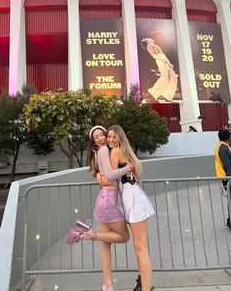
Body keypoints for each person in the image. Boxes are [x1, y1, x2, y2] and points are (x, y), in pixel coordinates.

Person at [67, 125, 133, 291]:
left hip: (104, 199)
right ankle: (85, 235)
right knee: (124, 237)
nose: (101, 138)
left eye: (102, 134)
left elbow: (102, 173)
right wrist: (128, 168)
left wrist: (100, 176)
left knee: (106, 243)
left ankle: (107, 284)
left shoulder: (100, 152)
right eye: (96, 137)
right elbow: (110, 176)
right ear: (93, 142)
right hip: (108, 202)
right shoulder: (103, 150)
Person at [98, 125, 155, 291]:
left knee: (140, 249)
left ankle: (146, 288)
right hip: (132, 199)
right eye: (108, 137)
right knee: (140, 248)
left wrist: (100, 178)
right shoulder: (121, 151)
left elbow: (109, 178)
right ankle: (143, 283)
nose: (110, 140)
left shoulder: (115, 151)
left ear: (120, 138)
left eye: (114, 137)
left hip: (134, 202)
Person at [141, 37, 178, 102]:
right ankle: (153, 93)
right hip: (161, 60)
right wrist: (163, 60)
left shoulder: (152, 45)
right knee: (166, 77)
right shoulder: (149, 45)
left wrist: (167, 61)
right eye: (148, 39)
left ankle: (166, 95)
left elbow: (161, 53)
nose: (150, 38)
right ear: (147, 42)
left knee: (172, 77)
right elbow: (154, 55)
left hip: (163, 59)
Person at [215, 129, 231, 228]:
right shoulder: (223, 148)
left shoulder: (224, 146)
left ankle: (229, 220)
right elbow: (227, 165)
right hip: (228, 178)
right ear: (227, 137)